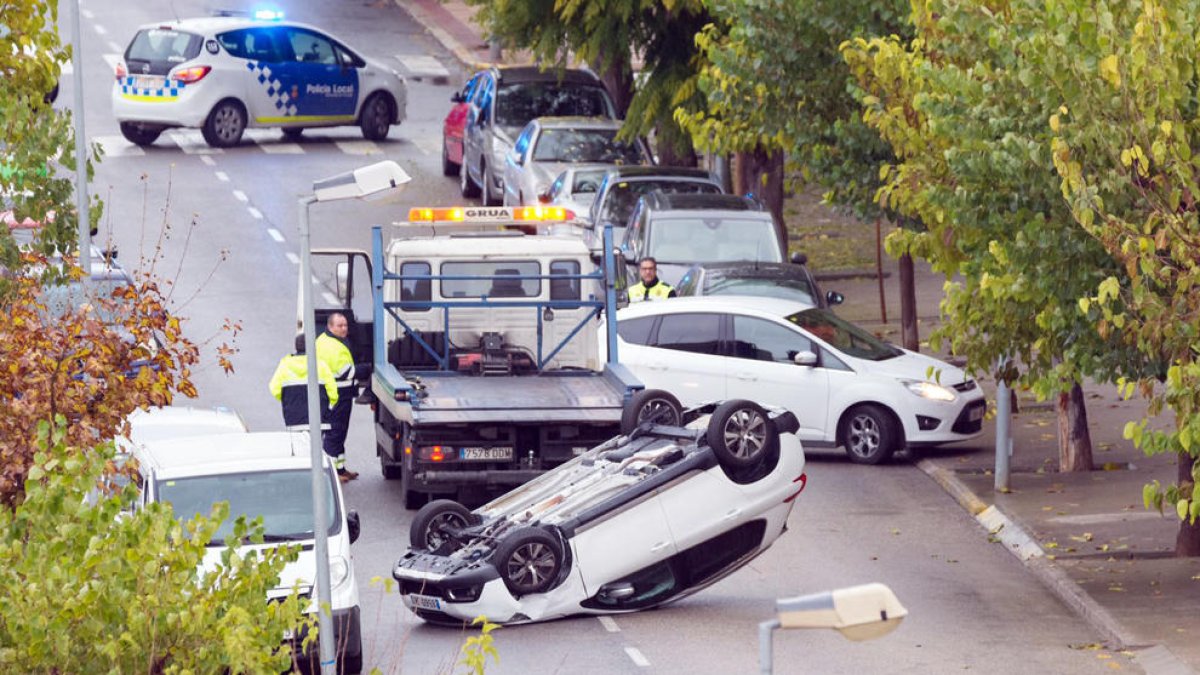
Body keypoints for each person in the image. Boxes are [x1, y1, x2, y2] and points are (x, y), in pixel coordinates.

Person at [316, 312, 358, 482]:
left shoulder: (328, 341)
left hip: (340, 395)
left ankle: (340, 469)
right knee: (335, 434)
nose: (344, 329)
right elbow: (346, 372)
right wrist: (367, 369)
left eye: (345, 325)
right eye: (340, 326)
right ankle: (332, 473)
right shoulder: (331, 346)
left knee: (340, 433)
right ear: (330, 326)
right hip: (337, 396)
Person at [269, 334, 338, 432]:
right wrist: (328, 409)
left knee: (298, 446)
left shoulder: (285, 365)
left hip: (294, 419)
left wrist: (289, 400)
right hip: (318, 419)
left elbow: (274, 389)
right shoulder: (320, 365)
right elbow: (333, 392)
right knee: (316, 446)